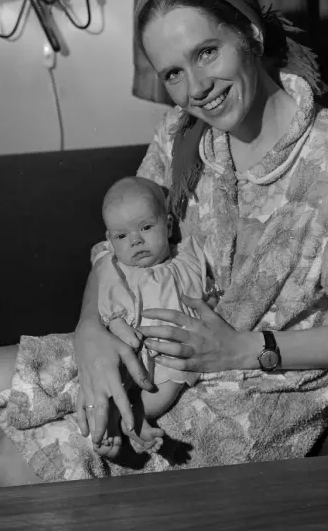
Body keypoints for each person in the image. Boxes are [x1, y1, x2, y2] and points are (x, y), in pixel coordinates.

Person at [0, 0, 328, 486]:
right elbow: (116, 247)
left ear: (250, 33)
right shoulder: (180, 134)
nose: (197, 88)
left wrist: (242, 348)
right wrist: (90, 331)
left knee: (18, 462)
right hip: (150, 344)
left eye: (206, 52)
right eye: (174, 73)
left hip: (254, 387)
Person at [95, 175, 207, 454]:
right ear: (110, 240)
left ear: (168, 226)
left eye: (145, 227)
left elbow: (204, 289)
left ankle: (137, 415)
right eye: (122, 236)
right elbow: (108, 304)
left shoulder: (186, 257)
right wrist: (119, 327)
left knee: (171, 383)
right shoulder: (115, 268)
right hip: (130, 344)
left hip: (171, 348)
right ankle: (109, 416)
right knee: (110, 376)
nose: (135, 240)